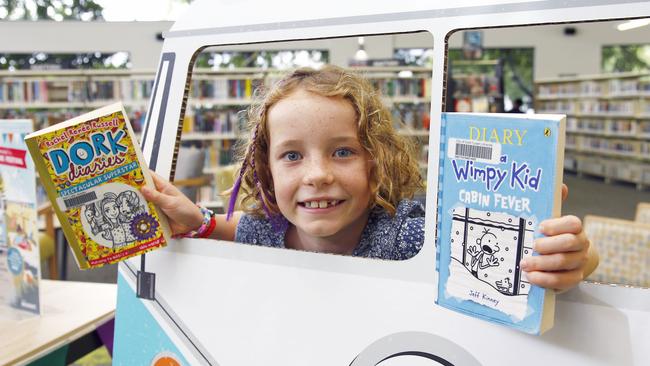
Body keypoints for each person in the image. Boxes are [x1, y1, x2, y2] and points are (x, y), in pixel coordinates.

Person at [142, 65, 598, 291]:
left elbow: (504, 255)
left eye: (342, 152)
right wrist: (195, 219)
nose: (317, 175)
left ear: (376, 162)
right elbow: (227, 228)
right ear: (266, 171)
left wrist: (571, 259)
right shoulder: (270, 229)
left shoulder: (407, 235)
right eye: (292, 156)